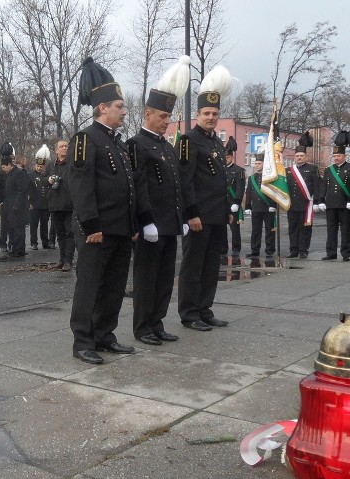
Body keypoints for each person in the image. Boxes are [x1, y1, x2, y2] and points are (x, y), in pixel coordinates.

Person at [68, 58, 148, 364]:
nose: (124, 112)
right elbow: (81, 186)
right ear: (102, 107)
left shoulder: (117, 143)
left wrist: (134, 223)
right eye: (119, 106)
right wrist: (91, 226)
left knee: (114, 287)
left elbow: (127, 188)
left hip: (120, 229)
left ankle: (104, 335)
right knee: (90, 287)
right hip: (96, 230)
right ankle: (83, 342)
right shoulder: (85, 140)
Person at [125, 56, 188, 346]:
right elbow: (139, 187)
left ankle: (157, 322)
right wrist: (145, 220)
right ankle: (142, 326)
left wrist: (182, 217)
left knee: (164, 278)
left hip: (169, 223)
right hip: (151, 225)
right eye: (163, 117)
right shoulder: (136, 145)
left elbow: (175, 186)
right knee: (147, 278)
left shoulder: (166, 146)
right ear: (147, 114)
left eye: (169, 117)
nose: (167, 122)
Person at [177, 65, 234, 332]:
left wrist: (228, 209)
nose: (211, 117)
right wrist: (191, 213)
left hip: (217, 215)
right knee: (193, 266)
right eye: (206, 113)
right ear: (197, 114)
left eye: (215, 113)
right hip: (198, 216)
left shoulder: (215, 142)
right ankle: (189, 313)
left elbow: (220, 180)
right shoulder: (188, 141)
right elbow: (185, 182)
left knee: (212, 265)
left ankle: (205, 308)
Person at [317, 131, 350, 261]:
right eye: (334, 156)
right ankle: (331, 253)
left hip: (345, 204)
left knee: (346, 230)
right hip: (331, 204)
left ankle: (345, 253)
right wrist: (321, 200)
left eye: (339, 155)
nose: (336, 158)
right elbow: (324, 185)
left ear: (344, 156)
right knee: (331, 230)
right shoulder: (329, 170)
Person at [286, 131, 320, 259]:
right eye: (297, 156)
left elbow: (317, 186)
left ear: (305, 157)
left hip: (306, 204)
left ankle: (303, 250)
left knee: (305, 228)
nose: (299, 158)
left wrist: (316, 202)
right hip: (292, 205)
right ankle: (293, 250)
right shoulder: (288, 171)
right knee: (292, 228)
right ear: (294, 157)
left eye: (301, 156)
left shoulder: (312, 169)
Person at [47, 140, 74, 271]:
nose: (64, 148)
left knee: (70, 233)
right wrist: (48, 180)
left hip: (69, 204)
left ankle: (68, 261)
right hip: (55, 204)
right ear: (56, 150)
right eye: (61, 147)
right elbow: (42, 180)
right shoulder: (51, 165)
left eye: (66, 146)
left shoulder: (73, 164)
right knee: (60, 233)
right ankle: (61, 259)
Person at [0, 144, 29, 261]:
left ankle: (19, 250)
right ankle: (14, 248)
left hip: (18, 207)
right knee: (12, 228)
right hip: (9, 206)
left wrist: (16, 204)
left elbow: (21, 190)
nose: (3, 169)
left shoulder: (19, 173)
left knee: (18, 229)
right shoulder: (8, 174)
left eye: (4, 167)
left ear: (9, 165)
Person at [244, 154, 276, 258]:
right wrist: (248, 206)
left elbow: (274, 191)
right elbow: (248, 193)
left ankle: (269, 250)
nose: (257, 165)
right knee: (255, 230)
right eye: (255, 164)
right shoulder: (252, 178)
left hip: (268, 208)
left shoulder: (269, 177)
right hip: (256, 208)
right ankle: (255, 250)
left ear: (264, 164)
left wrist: (273, 204)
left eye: (259, 163)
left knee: (269, 230)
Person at [223, 136, 245, 257]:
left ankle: (236, 248)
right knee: (222, 229)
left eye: (228, 157)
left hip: (233, 204)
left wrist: (237, 202)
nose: (226, 159)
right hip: (222, 203)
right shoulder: (220, 169)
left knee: (234, 228)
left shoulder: (239, 170)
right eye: (225, 157)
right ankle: (223, 248)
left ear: (232, 157)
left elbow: (240, 188)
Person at [28, 146, 51, 250]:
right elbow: (28, 189)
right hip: (34, 203)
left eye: (41, 166)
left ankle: (45, 242)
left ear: (44, 166)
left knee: (44, 224)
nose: (39, 168)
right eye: (37, 166)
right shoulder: (30, 175)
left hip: (45, 203)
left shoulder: (48, 175)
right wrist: (29, 202)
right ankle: (34, 243)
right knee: (33, 225)